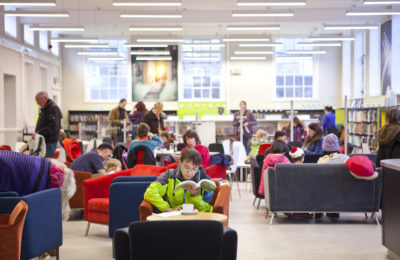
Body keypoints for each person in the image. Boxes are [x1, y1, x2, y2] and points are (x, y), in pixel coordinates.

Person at [144, 148, 213, 212]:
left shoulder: (204, 181)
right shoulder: (169, 175)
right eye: (186, 167)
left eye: (194, 169)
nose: (189, 173)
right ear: (180, 162)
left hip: (196, 219)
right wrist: (168, 209)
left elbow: (208, 209)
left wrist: (196, 197)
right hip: (173, 217)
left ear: (198, 167)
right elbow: (150, 192)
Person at [34, 91, 63, 158]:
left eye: (38, 100)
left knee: (48, 163)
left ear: (45, 98)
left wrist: (38, 133)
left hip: (49, 142)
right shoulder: (45, 109)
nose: (37, 103)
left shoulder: (53, 108)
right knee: (44, 162)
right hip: (45, 141)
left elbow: (53, 127)